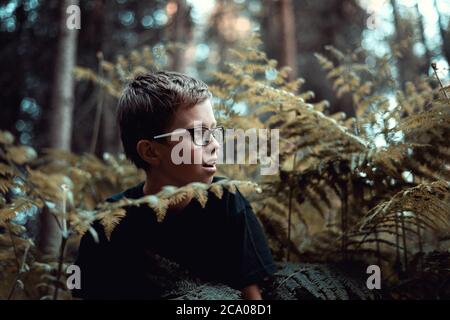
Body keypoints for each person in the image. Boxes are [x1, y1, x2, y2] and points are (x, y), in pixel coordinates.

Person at [72, 71, 277, 300]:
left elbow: (253, 300)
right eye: (199, 133)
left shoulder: (225, 201)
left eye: (213, 131)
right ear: (150, 151)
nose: (215, 145)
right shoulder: (107, 223)